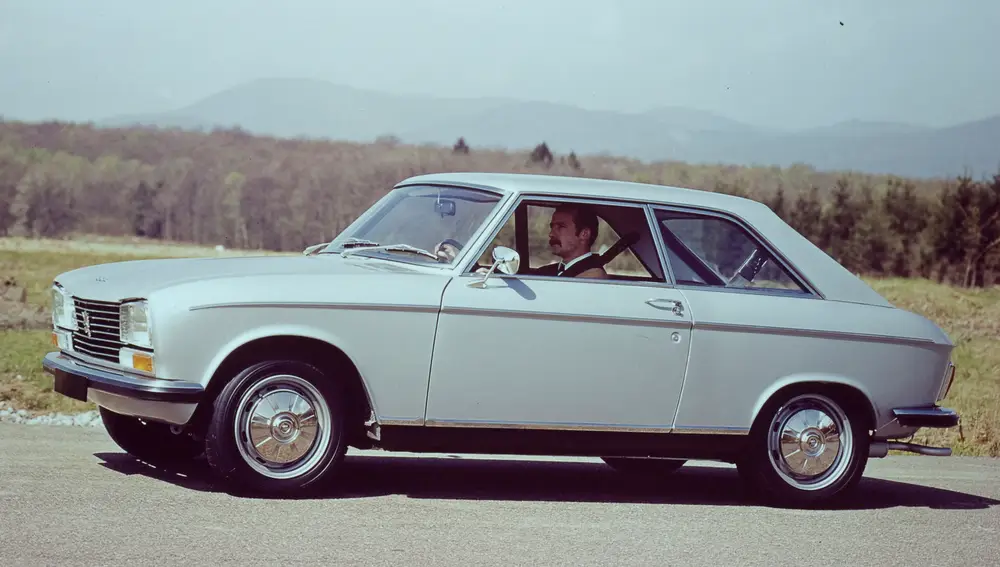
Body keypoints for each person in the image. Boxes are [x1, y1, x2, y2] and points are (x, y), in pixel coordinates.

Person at [535, 204, 608, 279]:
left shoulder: (594, 277)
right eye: (552, 227)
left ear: (584, 234)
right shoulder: (543, 272)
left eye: (561, 226)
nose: (551, 234)